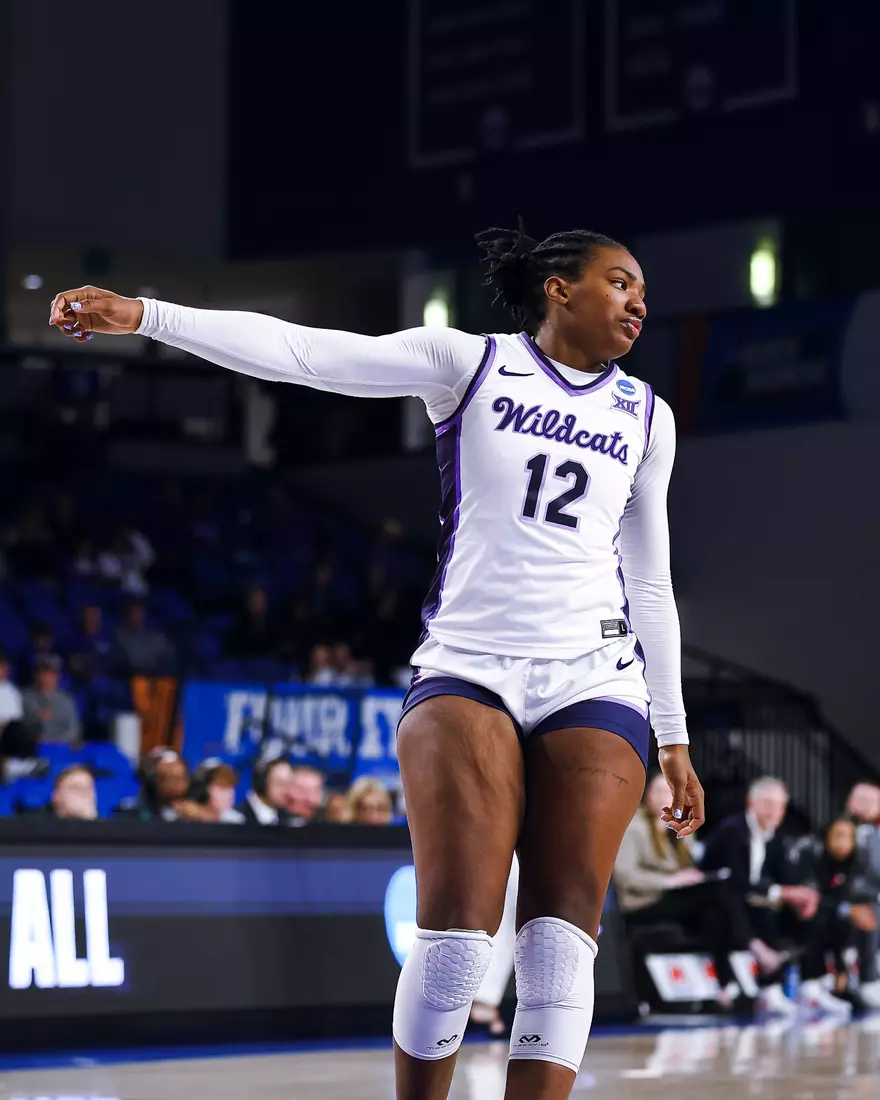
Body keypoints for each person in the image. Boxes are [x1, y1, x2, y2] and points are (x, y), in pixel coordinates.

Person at [50, 224, 704, 1100]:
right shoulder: (467, 363)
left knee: (559, 934)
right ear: (559, 287)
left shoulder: (647, 416)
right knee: (456, 938)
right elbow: (303, 352)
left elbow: (650, 584)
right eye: (620, 282)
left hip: (596, 674)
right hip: (470, 666)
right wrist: (149, 315)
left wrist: (674, 734)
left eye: (642, 290)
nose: (638, 301)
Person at [615, 773, 751, 1007]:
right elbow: (626, 876)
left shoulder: (681, 825)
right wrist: (670, 881)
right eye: (657, 791)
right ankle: (752, 946)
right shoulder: (633, 826)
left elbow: (691, 864)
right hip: (644, 901)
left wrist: (692, 876)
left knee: (715, 913)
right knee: (716, 896)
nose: (663, 796)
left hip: (677, 900)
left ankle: (725, 985)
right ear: (647, 794)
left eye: (668, 791)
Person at [701, 777, 819, 1016]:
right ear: (750, 803)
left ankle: (808, 982)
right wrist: (785, 892)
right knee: (738, 903)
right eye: (767, 803)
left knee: (813, 910)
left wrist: (804, 896)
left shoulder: (777, 836)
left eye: (780, 805)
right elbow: (736, 881)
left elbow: (785, 876)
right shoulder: (732, 830)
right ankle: (761, 966)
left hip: (748, 899)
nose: (774, 811)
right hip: (711, 899)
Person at [799, 818, 877, 1015]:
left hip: (839, 925)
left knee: (866, 918)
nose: (843, 842)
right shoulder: (814, 859)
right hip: (809, 919)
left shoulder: (855, 866)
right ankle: (813, 982)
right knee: (819, 918)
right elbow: (815, 898)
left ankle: (862, 980)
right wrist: (848, 909)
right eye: (838, 835)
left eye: (848, 837)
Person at [21, 654, 81, 746]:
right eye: (42, 672)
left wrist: (54, 741)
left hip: (60, 748)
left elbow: (73, 729)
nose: (46, 677)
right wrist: (36, 719)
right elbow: (18, 728)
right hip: (31, 748)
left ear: (58, 676)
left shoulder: (66, 700)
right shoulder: (24, 697)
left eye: (51, 673)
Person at [112, 598, 176, 676]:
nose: (134, 616)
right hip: (129, 679)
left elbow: (169, 654)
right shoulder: (118, 636)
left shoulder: (155, 636)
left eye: (138, 612)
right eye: (132, 612)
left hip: (155, 678)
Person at [237, 756, 293, 826]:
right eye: (280, 783)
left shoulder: (289, 818)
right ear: (261, 783)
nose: (287, 790)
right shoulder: (237, 818)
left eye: (289, 784)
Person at [189, 759, 246, 823]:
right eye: (222, 788)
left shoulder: (236, 820)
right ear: (203, 788)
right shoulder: (184, 817)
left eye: (230, 787)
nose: (229, 794)